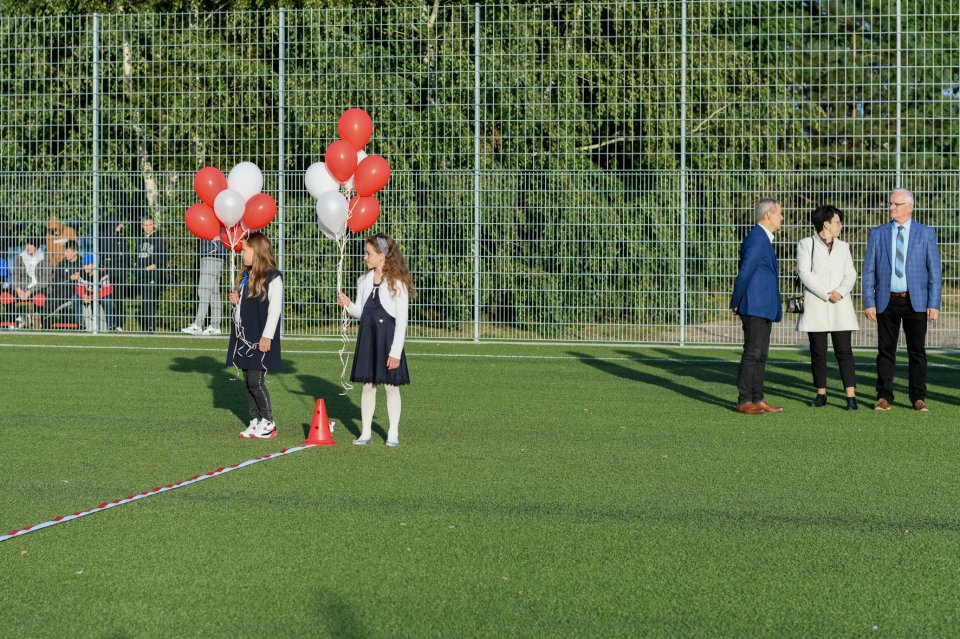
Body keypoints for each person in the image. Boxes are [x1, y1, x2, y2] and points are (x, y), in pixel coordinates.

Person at [862, 188, 942, 412]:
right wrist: (869, 301)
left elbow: (934, 271)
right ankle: (884, 396)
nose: (891, 208)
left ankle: (918, 397)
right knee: (885, 350)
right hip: (886, 300)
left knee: (917, 351)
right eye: (890, 204)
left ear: (909, 207)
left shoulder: (925, 233)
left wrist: (934, 303)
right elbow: (869, 270)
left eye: (896, 204)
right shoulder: (878, 233)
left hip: (915, 301)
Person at [337, 233, 413, 446]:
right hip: (368, 338)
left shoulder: (396, 283)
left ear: (382, 256)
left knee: (390, 386)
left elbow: (401, 322)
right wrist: (348, 304)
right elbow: (362, 312)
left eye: (368, 253)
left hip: (388, 340)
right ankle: (366, 432)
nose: (365, 257)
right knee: (368, 385)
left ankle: (393, 433)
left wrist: (395, 352)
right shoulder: (363, 280)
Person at [796, 205, 859, 410]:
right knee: (818, 352)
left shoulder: (844, 247)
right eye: (837, 222)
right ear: (826, 224)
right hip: (817, 305)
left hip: (841, 304)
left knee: (844, 351)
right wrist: (826, 294)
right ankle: (821, 393)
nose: (840, 225)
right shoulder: (806, 244)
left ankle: (851, 396)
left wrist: (839, 292)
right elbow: (805, 274)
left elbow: (851, 274)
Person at [730, 198, 784, 415]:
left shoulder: (763, 239)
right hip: (754, 306)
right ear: (769, 214)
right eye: (779, 213)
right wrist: (736, 301)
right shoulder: (756, 238)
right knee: (752, 353)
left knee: (761, 354)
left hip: (764, 306)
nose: (782, 217)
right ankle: (744, 400)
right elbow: (745, 273)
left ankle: (757, 397)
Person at [227, 232, 284, 439]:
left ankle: (269, 422)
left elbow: (274, 309)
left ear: (257, 251)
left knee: (255, 380)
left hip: (260, 338)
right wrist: (236, 303)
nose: (242, 254)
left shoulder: (273, 276)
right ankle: (255, 420)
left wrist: (267, 336)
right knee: (247, 380)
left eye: (245, 250)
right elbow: (243, 307)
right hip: (245, 337)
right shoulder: (245, 276)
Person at [182, 238, 224, 335]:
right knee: (214, 293)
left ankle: (198, 325)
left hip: (212, 254)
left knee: (203, 291)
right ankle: (215, 326)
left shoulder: (216, 223)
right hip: (214, 254)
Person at [133, 216, 166, 332]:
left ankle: (151, 327)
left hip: (153, 275)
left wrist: (154, 265)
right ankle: (145, 327)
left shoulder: (158, 239)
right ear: (142, 226)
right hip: (142, 275)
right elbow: (137, 257)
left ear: (153, 225)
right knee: (144, 300)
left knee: (150, 300)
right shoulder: (140, 240)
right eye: (145, 225)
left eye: (150, 225)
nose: (147, 228)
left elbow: (164, 257)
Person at [10, 237, 51, 328]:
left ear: (36, 246)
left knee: (39, 297)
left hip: (38, 288)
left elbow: (45, 280)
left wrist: (30, 291)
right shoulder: (20, 257)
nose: (28, 247)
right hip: (22, 288)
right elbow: (14, 276)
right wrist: (19, 290)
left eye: (31, 245)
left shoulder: (44, 258)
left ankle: (37, 319)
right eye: (27, 244)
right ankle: (16, 319)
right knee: (6, 296)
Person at [99, 217, 130, 331]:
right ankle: (112, 323)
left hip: (118, 274)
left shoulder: (120, 239)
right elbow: (105, 257)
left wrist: (112, 258)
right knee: (110, 299)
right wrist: (116, 256)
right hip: (110, 274)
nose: (121, 227)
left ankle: (116, 324)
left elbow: (125, 256)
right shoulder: (107, 238)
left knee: (117, 300)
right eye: (120, 224)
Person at [46, 240, 83, 328]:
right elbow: (56, 281)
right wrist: (70, 278)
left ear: (75, 252)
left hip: (77, 291)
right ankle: (41, 320)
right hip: (62, 290)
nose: (65, 254)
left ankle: (81, 325)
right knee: (51, 297)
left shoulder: (83, 263)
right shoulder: (61, 264)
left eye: (68, 251)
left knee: (70, 297)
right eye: (65, 251)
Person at [76, 254, 113, 331]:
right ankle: (81, 325)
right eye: (84, 264)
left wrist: (92, 297)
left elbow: (107, 290)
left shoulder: (102, 273)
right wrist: (83, 296)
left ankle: (111, 325)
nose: (84, 267)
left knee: (107, 300)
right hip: (88, 294)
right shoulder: (82, 272)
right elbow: (80, 287)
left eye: (87, 265)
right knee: (74, 298)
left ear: (94, 265)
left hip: (100, 295)